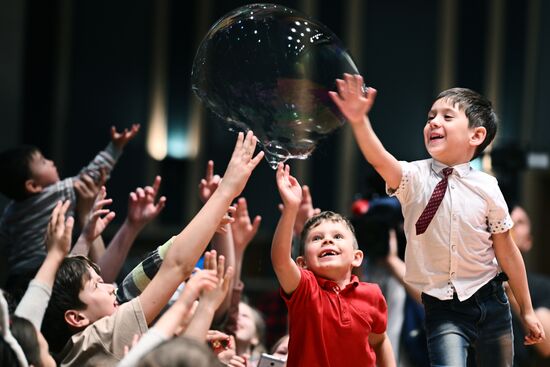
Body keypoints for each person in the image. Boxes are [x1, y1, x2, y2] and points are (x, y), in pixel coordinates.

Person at [329, 73, 545, 365]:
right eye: (430, 116)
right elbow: (379, 159)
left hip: (492, 300)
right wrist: (358, 121)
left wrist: (528, 310)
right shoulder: (414, 177)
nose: (433, 122)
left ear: (476, 135)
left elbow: (507, 250)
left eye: (447, 116)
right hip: (443, 308)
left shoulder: (487, 187)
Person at [41, 131, 264, 366]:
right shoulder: (101, 336)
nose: (110, 286)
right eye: (96, 285)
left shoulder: (78, 348)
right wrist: (227, 188)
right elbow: (176, 267)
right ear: (76, 317)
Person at [271, 163, 395, 366]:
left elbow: (380, 340)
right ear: (302, 263)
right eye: (317, 238)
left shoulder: (373, 294)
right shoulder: (304, 288)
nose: (328, 241)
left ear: (357, 257)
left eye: (338, 236)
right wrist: (290, 210)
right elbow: (281, 262)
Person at [0, 124, 140, 301]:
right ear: (33, 186)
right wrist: (115, 147)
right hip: (48, 269)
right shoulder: (57, 193)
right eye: (43, 162)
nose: (51, 162)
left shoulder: (9, 213)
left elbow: (4, 244)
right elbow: (91, 176)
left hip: (16, 278)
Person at [508, 205, 550, 366]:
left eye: (519, 222)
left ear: (528, 241)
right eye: (508, 218)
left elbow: (546, 347)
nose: (511, 223)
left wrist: (512, 292)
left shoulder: (542, 287)